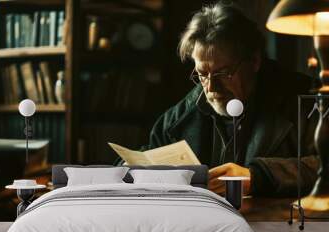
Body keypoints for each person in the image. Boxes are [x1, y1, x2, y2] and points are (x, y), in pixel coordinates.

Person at [123, 2, 319, 197]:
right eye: (202, 74)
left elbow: (323, 165)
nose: (210, 88)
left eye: (224, 73)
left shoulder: (305, 102)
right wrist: (131, 171)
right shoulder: (181, 117)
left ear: (255, 61)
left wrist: (260, 177)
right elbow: (145, 156)